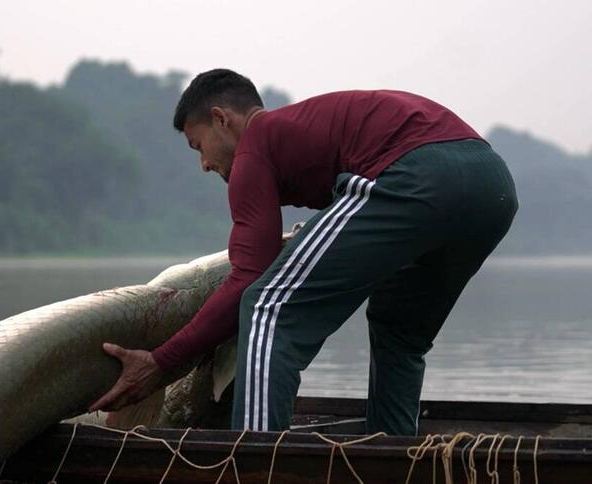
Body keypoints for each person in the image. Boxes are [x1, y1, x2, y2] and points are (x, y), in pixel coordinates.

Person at [88, 69, 517, 435]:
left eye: (198, 147)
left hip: (418, 172)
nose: (203, 165)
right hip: (491, 184)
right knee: (398, 330)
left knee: (267, 310)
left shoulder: (256, 141)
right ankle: (393, 454)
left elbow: (249, 278)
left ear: (222, 120)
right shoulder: (298, 131)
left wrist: (161, 361)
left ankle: (256, 464)